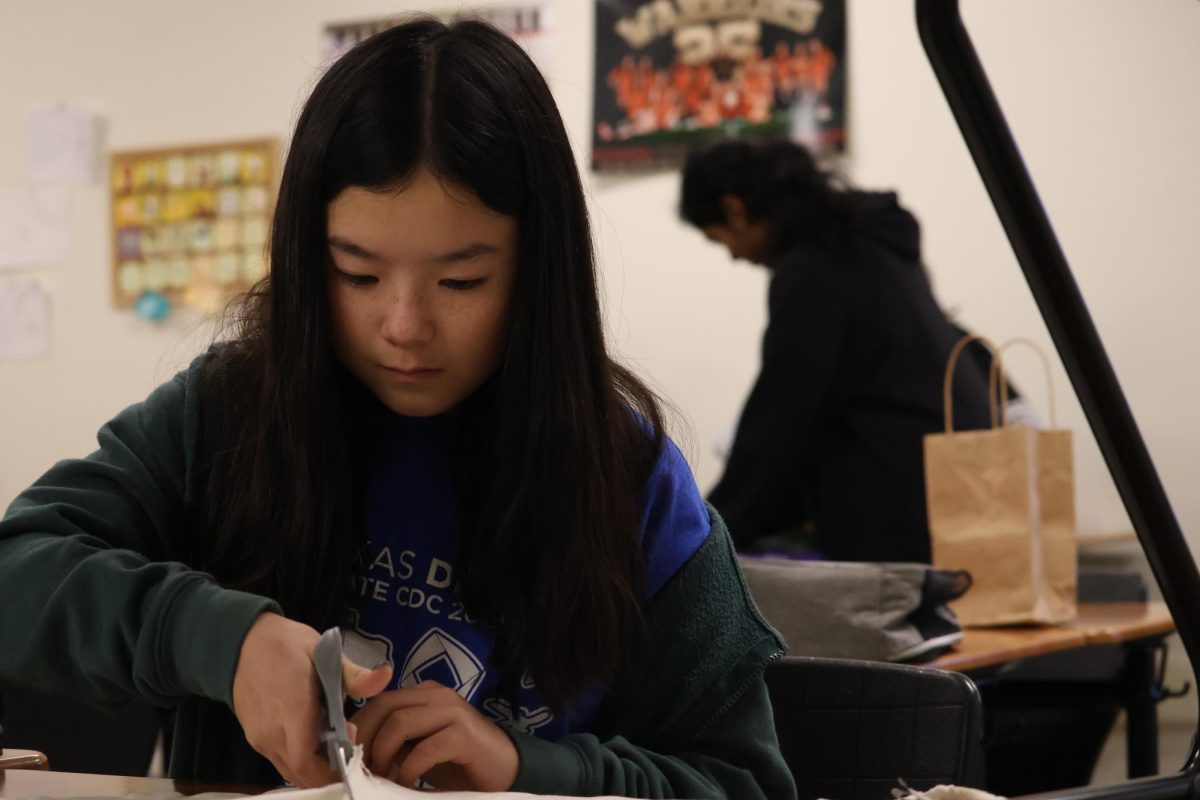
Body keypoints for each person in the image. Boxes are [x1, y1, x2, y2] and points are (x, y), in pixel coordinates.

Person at [0, 20, 794, 799]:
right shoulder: (233, 413)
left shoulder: (630, 477)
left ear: (538, 274)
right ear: (309, 260)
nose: (405, 326)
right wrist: (215, 637)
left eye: (461, 282)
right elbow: (20, 569)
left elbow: (741, 780)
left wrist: (529, 769)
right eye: (357, 274)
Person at [679, 139, 995, 564]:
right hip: (959, 507)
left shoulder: (814, 273)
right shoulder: (875, 246)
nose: (734, 256)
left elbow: (781, 423)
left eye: (720, 240)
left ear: (735, 209)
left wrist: (700, 544)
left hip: (899, 532)